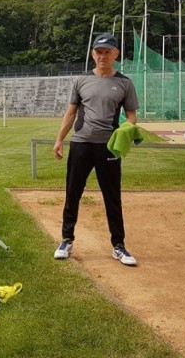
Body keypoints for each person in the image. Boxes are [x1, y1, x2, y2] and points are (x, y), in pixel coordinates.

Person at [52, 33, 139, 266]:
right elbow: (71, 113)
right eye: (98, 52)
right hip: (80, 144)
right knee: (73, 194)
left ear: (116, 54)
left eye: (107, 52)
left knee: (112, 197)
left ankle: (118, 246)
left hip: (109, 148)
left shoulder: (124, 83)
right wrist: (60, 139)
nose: (102, 56)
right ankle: (66, 240)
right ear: (93, 54)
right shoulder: (81, 81)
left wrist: (125, 131)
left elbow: (132, 117)